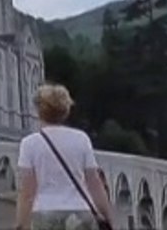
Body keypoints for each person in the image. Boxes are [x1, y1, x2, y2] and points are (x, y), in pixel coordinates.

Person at [15, 84, 115, 230]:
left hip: (45, 213)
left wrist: (21, 223)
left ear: (39, 111)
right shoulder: (81, 139)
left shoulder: (29, 144)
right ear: (66, 111)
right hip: (80, 212)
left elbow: (27, 192)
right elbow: (95, 184)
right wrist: (108, 217)